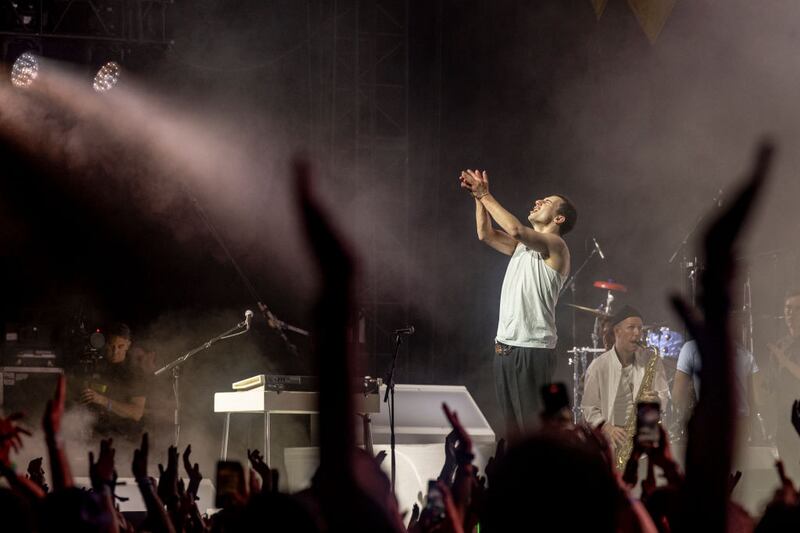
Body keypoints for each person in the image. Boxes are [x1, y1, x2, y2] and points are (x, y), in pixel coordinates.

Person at [459, 169, 576, 436]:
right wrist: (477, 198)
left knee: (533, 435)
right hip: (505, 349)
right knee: (514, 434)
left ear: (559, 217)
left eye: (545, 202)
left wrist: (485, 194)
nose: (537, 201)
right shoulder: (523, 246)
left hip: (531, 350)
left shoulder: (557, 246)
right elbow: (485, 234)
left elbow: (514, 228)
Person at [580, 305, 669, 450]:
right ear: (617, 331)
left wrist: (656, 400)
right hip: (610, 442)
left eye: (640, 328)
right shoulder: (598, 366)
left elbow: (664, 394)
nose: (637, 333)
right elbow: (589, 408)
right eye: (631, 327)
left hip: (644, 439)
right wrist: (607, 428)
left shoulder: (652, 360)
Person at [78, 323, 148, 443]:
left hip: (125, 438)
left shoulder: (135, 373)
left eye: (120, 346)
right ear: (104, 344)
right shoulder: (96, 365)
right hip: (97, 434)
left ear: (128, 345)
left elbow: (136, 413)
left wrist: (103, 401)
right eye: (111, 346)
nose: (115, 351)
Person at [767, 289, 800, 474]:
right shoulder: (781, 345)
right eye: (788, 309)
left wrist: (785, 362)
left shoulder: (782, 353)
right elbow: (773, 387)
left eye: (797, 309)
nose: (791, 314)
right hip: (784, 424)